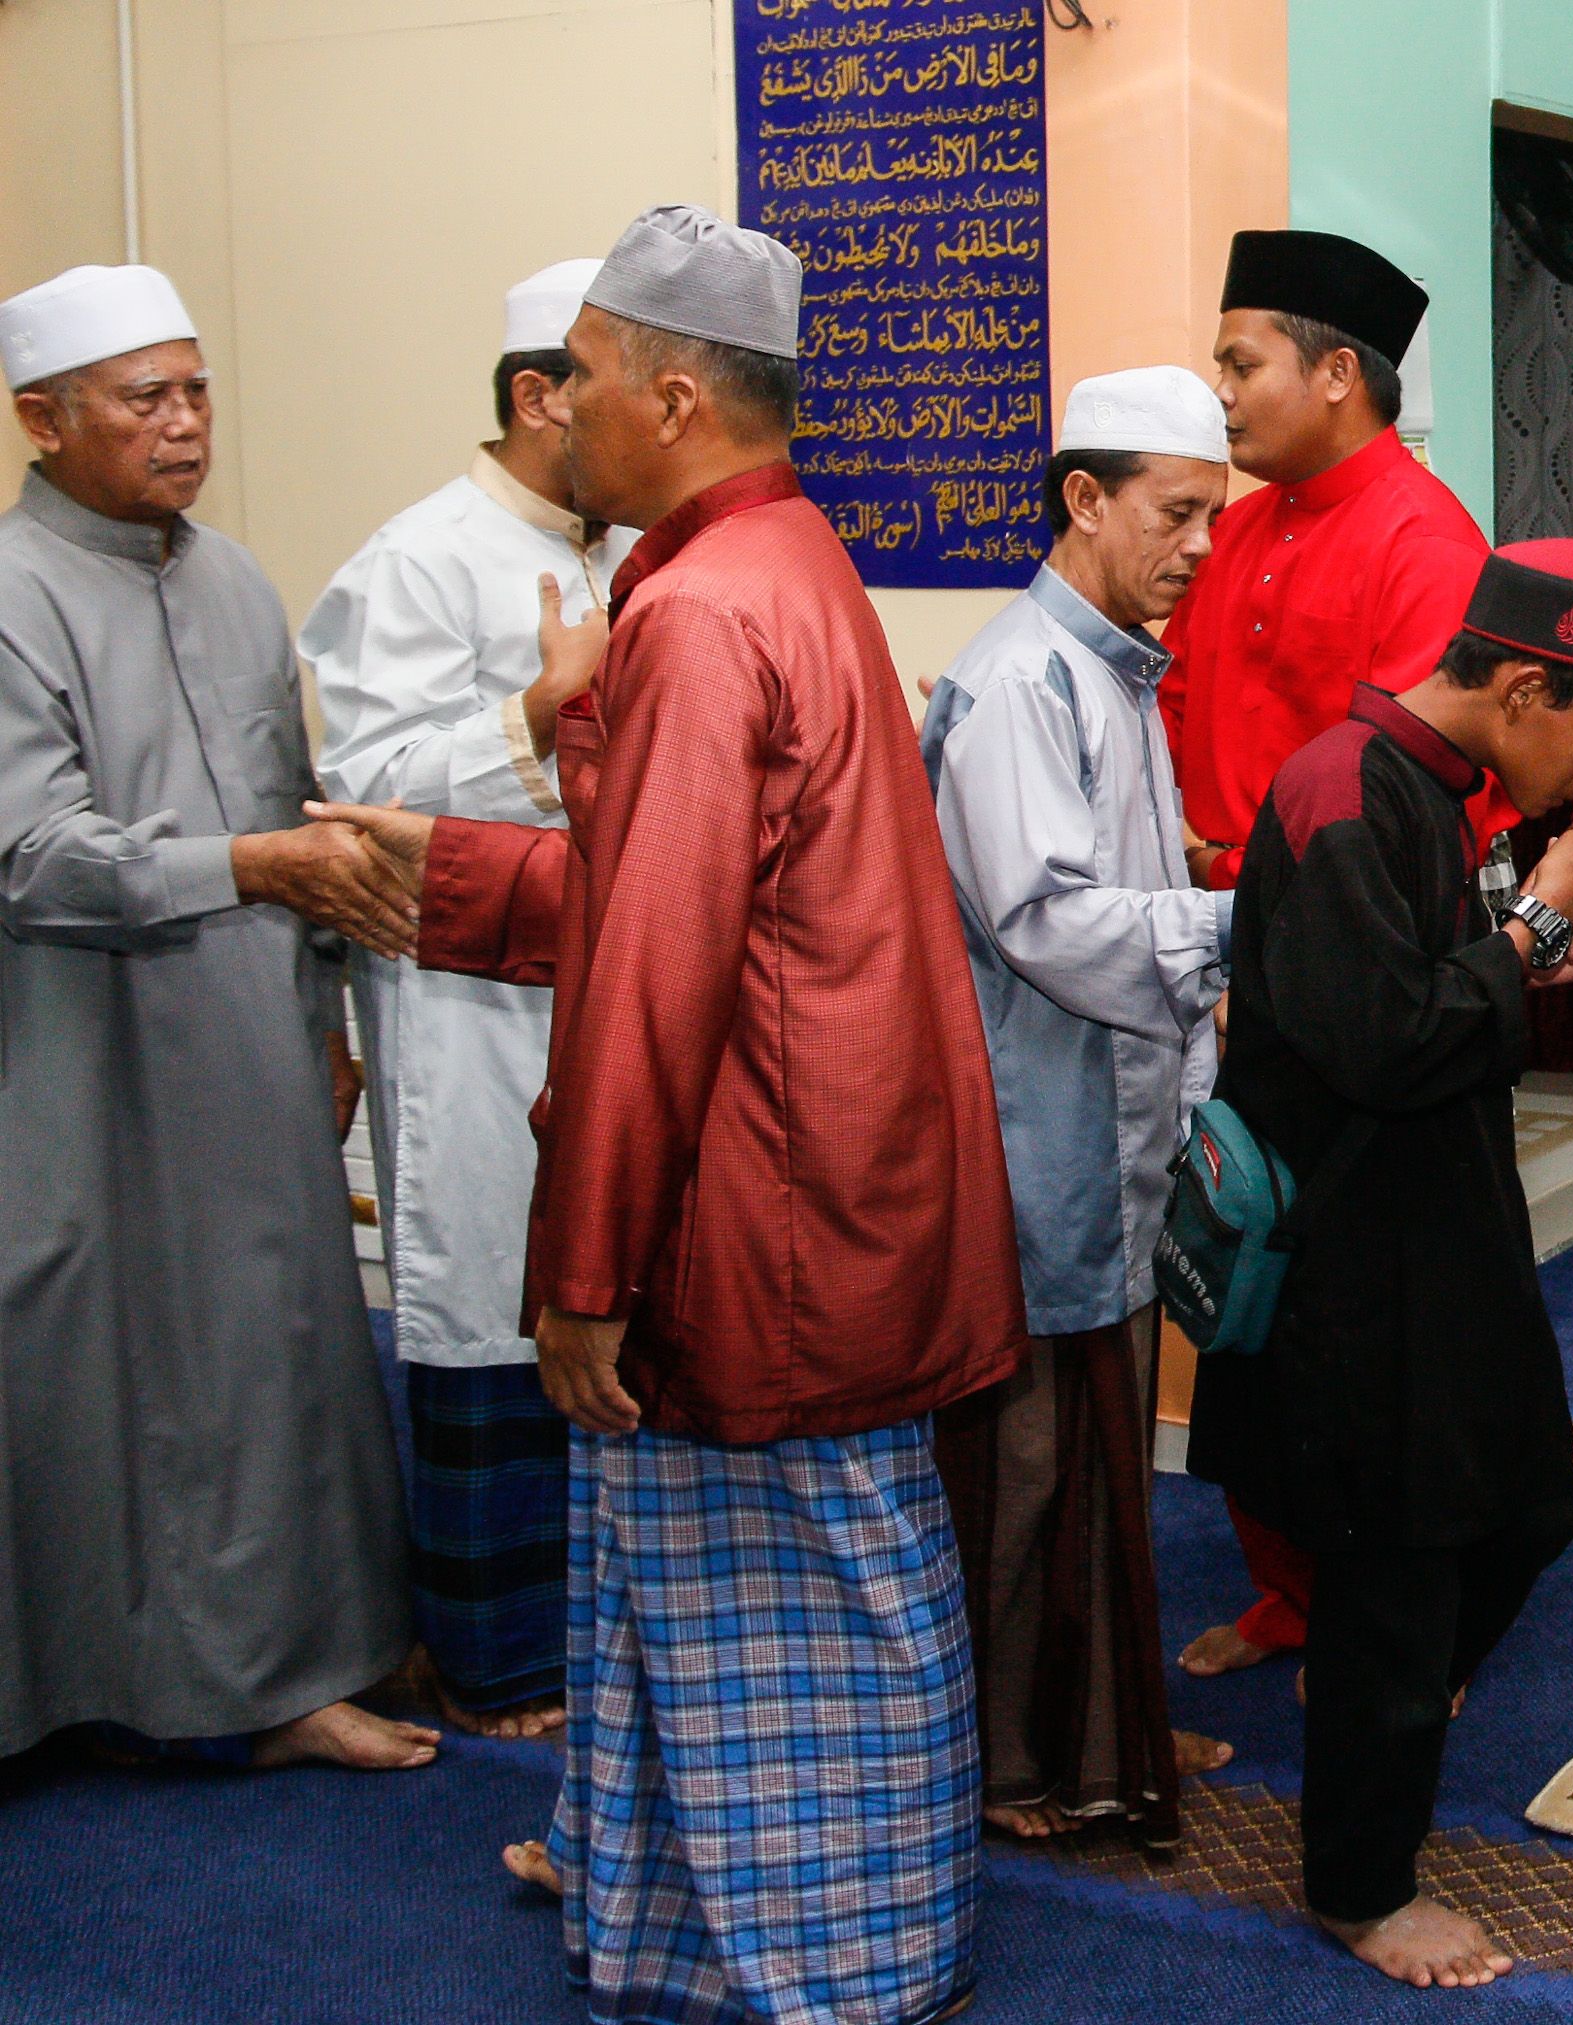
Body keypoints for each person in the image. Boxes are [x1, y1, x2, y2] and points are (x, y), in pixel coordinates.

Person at [314, 206, 1020, 2025]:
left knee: (799, 1623)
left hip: (758, 1202)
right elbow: (698, 894)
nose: (571, 415)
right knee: (712, 1599)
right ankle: (684, 1928)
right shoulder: (782, 558)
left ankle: (837, 1967)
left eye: (596, 384)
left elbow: (660, 974)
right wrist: (483, 852)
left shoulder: (699, 606)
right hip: (823, 1171)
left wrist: (586, 1265)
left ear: (679, 393)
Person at [1186, 538, 1573, 1987]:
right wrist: (1534, 920)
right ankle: (1359, 1882)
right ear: (1524, 683)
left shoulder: (1419, 788)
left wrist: (1533, 951)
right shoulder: (1342, 790)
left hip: (1439, 1236)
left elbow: (1417, 991)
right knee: (1400, 1562)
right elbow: (1379, 1042)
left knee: (1527, 1509)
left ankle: (1379, 1696)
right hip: (1360, 1265)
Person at [0, 264, 436, 1775]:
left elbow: (288, 808)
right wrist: (252, 868)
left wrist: (322, 1008)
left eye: (196, 391)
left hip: (254, 1036)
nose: (186, 425)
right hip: (86, 1060)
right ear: (43, 421)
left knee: (284, 1351)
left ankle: (305, 1654)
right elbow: (30, 852)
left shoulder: (238, 577)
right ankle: (145, 1681)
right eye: (146, 400)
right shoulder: (11, 598)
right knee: (123, 1368)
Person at [299, 258, 632, 1742]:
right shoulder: (418, 560)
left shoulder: (625, 547)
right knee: (491, 1303)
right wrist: (534, 717)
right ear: (539, 395)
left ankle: (589, 1641)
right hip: (466, 1013)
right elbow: (358, 798)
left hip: (609, 993)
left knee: (604, 1299)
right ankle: (489, 1657)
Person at [1161, 228, 1495, 1684]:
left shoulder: (1428, 543)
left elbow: (1446, 782)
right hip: (1217, 952)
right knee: (1242, 1281)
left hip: (1350, 975)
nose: (1218, 390)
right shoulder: (1239, 525)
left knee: (1358, 1310)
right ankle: (1287, 1587)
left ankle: (1384, 1599)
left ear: (1338, 372)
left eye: (1241, 361)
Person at [921, 365, 1241, 1847]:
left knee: (1104, 1450)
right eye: (1174, 514)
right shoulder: (1017, 684)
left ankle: (1101, 1728)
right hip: (1028, 1139)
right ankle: (1004, 1762)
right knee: (1031, 1464)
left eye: (1212, 519)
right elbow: (1047, 922)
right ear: (1085, 499)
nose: (1196, 546)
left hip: (1107, 1131)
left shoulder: (1113, 673)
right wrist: (1247, 924)